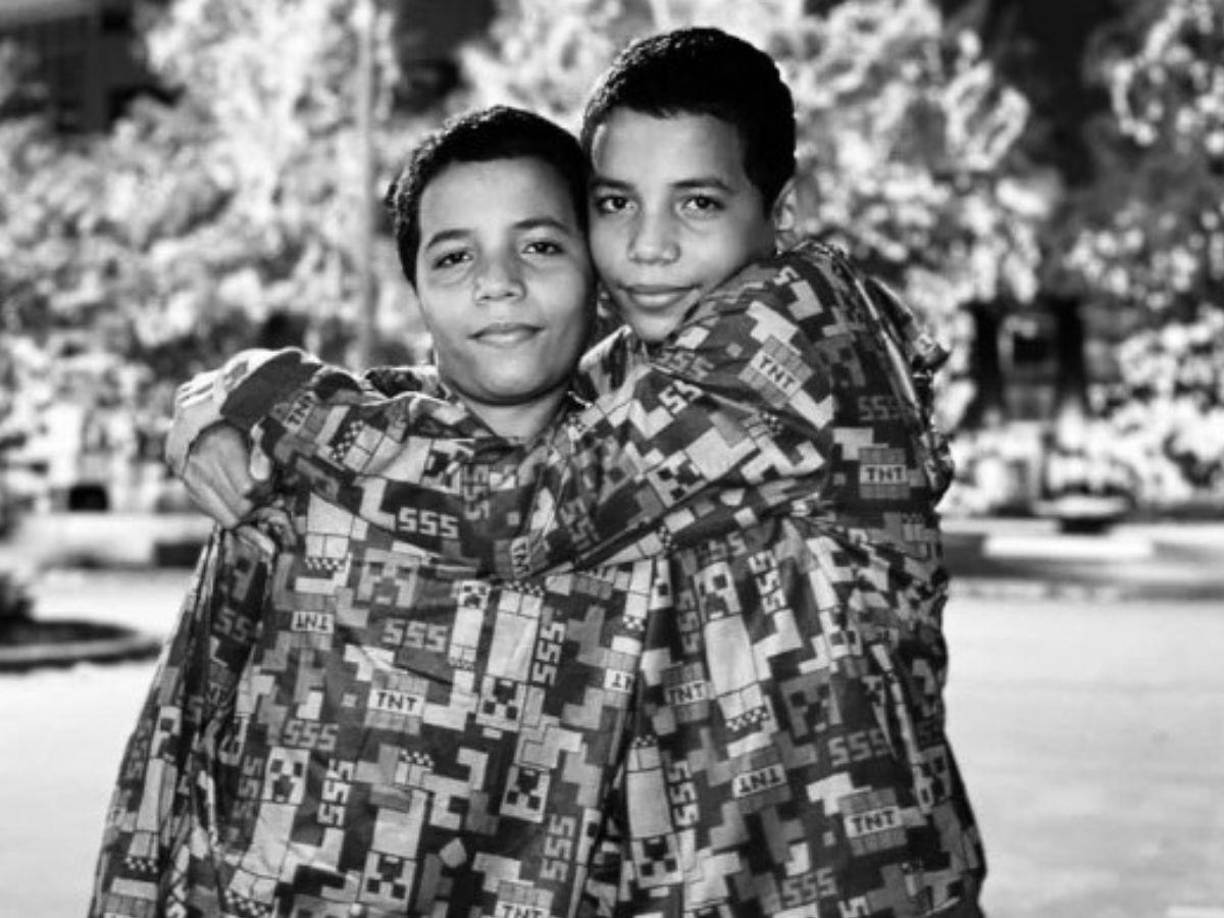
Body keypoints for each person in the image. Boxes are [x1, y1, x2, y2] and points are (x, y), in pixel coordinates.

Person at [166, 27, 986, 917]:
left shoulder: (793, 335)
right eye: (617, 203)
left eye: (698, 203)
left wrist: (277, 397)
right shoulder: (652, 361)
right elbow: (473, 415)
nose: (649, 246)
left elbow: (515, 507)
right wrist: (233, 388)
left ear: (781, 213)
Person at [90, 106, 669, 918]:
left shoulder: (648, 490)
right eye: (454, 256)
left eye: (540, 246)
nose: (498, 283)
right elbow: (177, 733)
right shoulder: (299, 471)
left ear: (599, 271)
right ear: (417, 293)